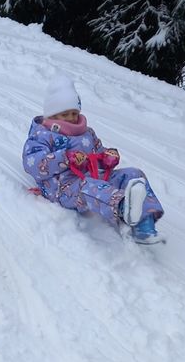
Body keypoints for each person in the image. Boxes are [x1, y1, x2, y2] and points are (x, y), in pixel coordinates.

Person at [22, 75, 164, 243]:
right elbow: (33, 164)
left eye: (74, 113)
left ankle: (144, 226)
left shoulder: (87, 133)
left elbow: (98, 152)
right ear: (53, 115)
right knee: (90, 187)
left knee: (134, 174)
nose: (71, 118)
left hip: (92, 177)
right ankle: (123, 207)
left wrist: (107, 157)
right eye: (65, 114)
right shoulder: (43, 135)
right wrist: (65, 158)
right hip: (64, 188)